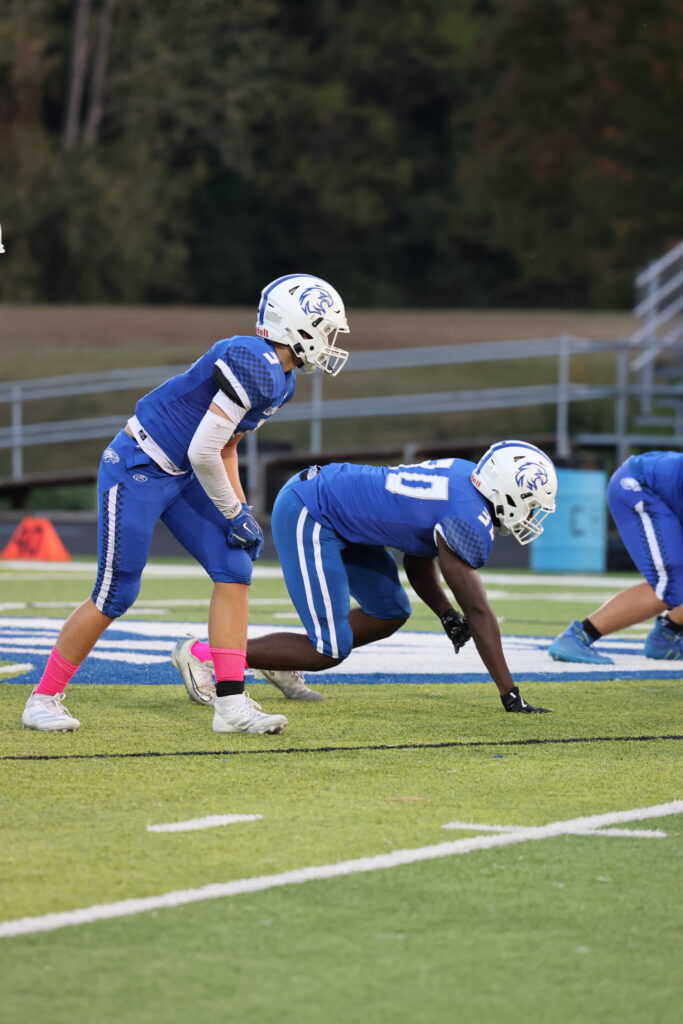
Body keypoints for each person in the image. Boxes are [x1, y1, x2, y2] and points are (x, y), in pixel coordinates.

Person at [21, 273, 350, 734]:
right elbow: (203, 451)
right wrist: (232, 512)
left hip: (184, 474)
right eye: (326, 328)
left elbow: (227, 445)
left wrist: (241, 509)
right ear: (298, 325)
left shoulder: (283, 380)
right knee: (116, 591)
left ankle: (231, 704)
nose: (330, 341)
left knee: (234, 567)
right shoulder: (252, 362)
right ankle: (43, 698)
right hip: (139, 465)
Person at [173, 440, 559, 713]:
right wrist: (510, 694)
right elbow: (478, 611)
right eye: (530, 505)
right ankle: (203, 654)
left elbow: (419, 557)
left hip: (343, 516)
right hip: (314, 510)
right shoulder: (469, 518)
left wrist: (445, 613)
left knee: (389, 611)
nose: (529, 516)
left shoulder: (464, 476)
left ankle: (276, 659)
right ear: (507, 491)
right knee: (328, 649)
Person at [549, 450, 683, 664]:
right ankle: (578, 636)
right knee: (671, 584)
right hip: (640, 485)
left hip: (659, 490)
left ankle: (667, 635)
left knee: (674, 584)